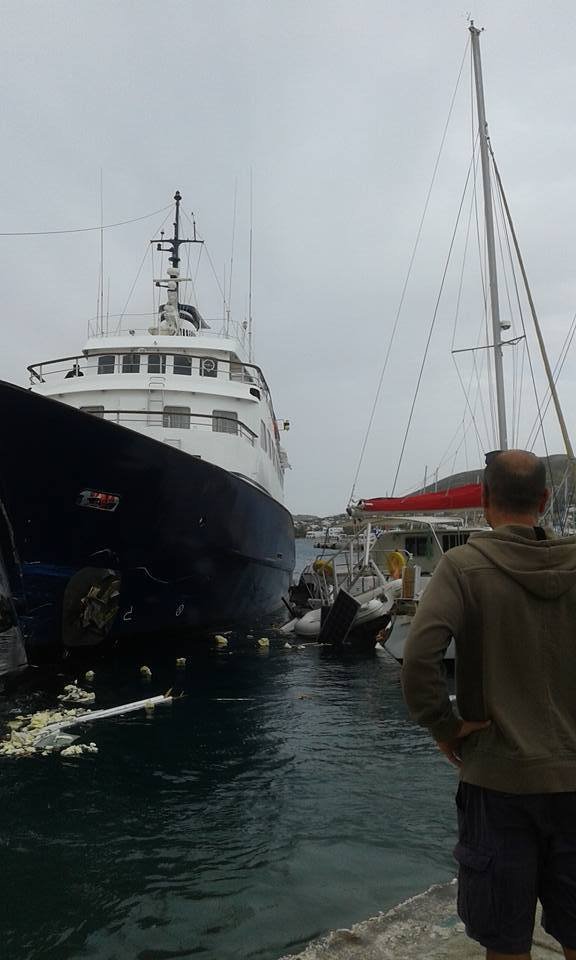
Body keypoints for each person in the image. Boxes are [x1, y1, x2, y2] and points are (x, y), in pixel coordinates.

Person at [402, 449, 576, 960]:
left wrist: (445, 726)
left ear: (484, 500)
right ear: (545, 499)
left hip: (498, 784)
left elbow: (419, 657)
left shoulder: (463, 566)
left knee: (506, 943)